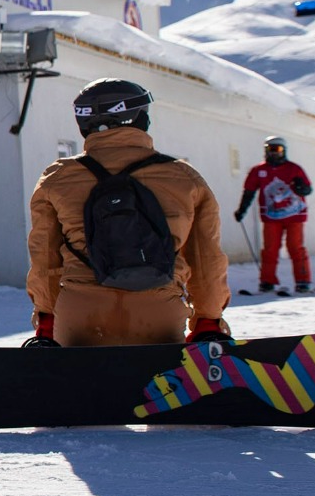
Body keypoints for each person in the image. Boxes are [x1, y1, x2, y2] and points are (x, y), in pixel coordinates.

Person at [25, 78, 227, 347]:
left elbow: (44, 260)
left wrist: (47, 320)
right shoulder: (185, 178)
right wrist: (207, 321)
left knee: (79, 387)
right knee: (162, 386)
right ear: (139, 118)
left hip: (80, 314)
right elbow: (206, 260)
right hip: (159, 311)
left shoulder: (57, 177)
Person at [236, 135, 311, 296]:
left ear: (284, 151)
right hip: (271, 216)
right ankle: (267, 282)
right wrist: (242, 210)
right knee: (270, 249)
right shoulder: (259, 171)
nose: (274, 153)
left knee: (295, 247)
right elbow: (249, 191)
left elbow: (308, 188)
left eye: (277, 149)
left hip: (294, 215)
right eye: (271, 149)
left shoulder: (294, 169)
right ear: (265, 151)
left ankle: (303, 281)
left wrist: (301, 188)